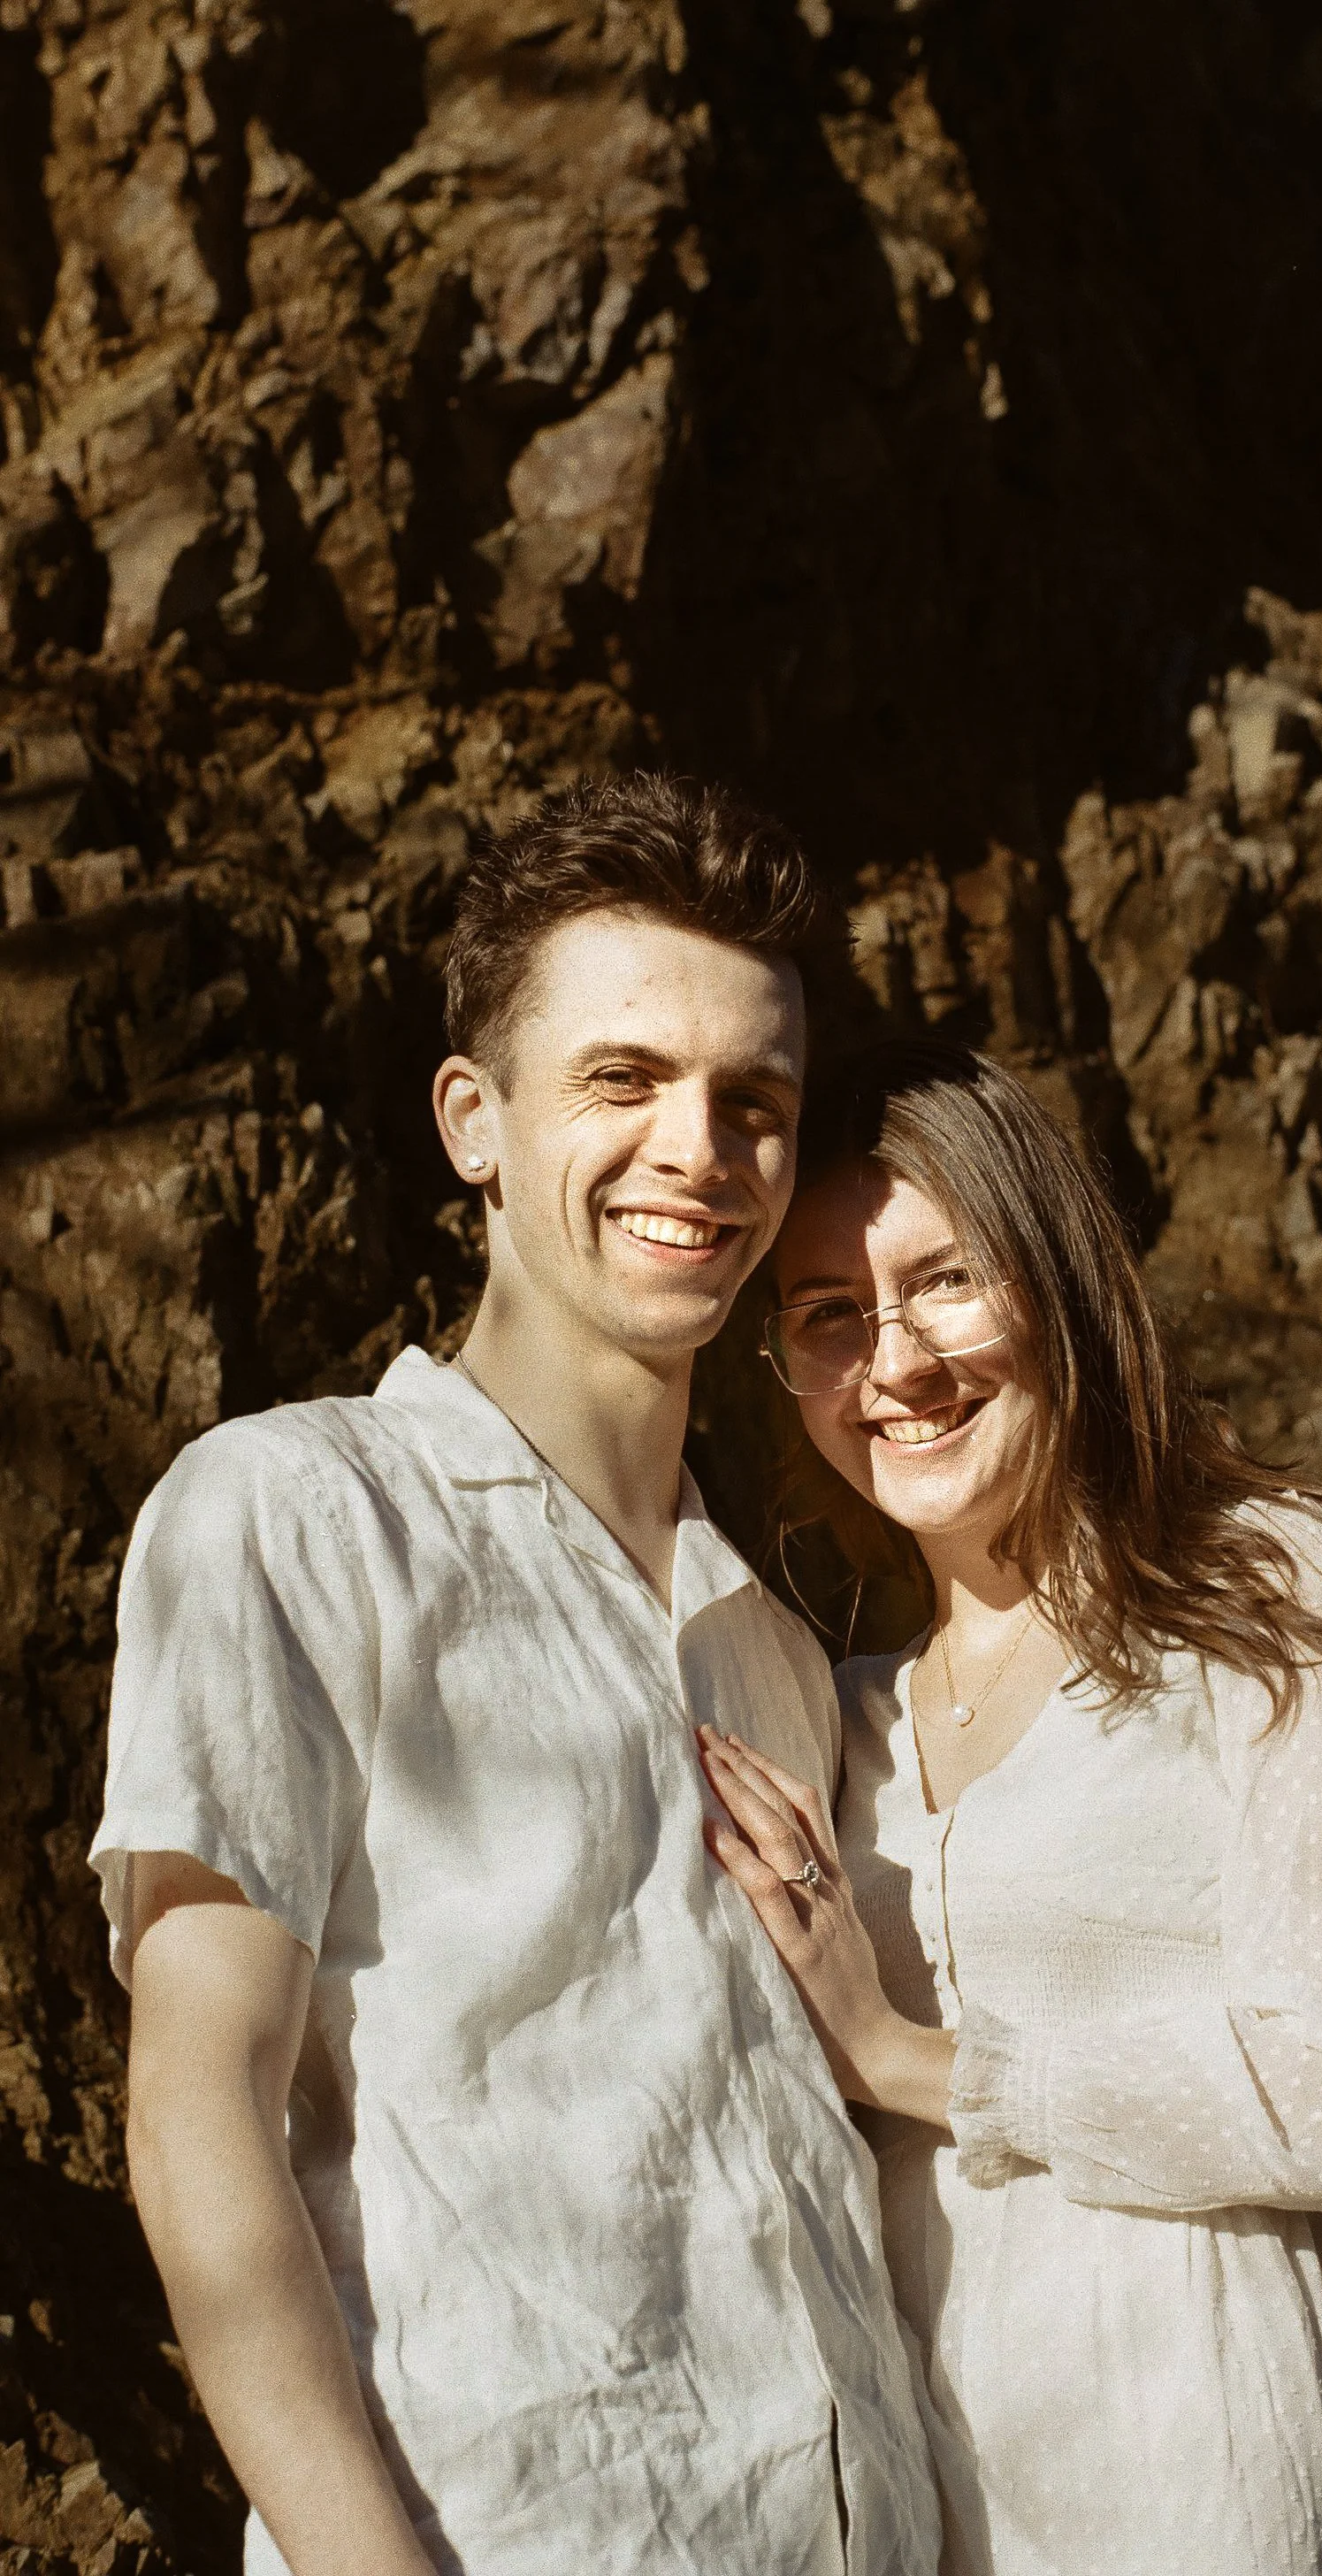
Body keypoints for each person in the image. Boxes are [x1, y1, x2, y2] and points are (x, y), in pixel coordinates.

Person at [89, 775, 942, 2576]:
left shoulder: (776, 1652)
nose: (699, 1148)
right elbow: (198, 2117)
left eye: (753, 1103)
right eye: (623, 1080)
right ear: (475, 1120)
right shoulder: (297, 1515)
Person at [699, 1037, 1322, 2576]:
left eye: (949, 1282)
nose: (898, 1364)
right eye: (831, 1316)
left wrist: (906, 2057)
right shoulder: (838, 1709)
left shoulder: (1270, 1588)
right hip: (920, 2513)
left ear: (1059, 1282)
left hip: (1190, 2493)